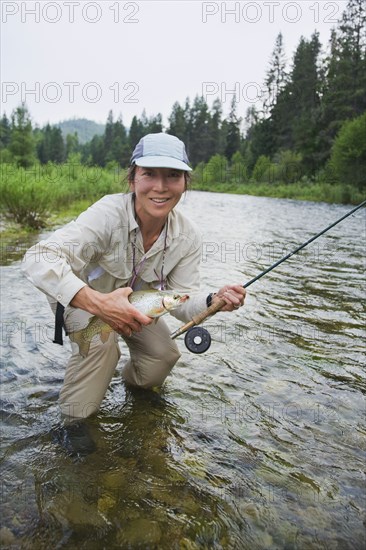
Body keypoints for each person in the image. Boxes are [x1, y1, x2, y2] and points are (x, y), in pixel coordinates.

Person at [22, 133, 246, 420]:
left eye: (173, 175)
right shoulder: (107, 214)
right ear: (132, 179)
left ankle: (130, 389)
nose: (161, 187)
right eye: (149, 174)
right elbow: (37, 258)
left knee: (164, 356)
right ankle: (74, 426)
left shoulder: (188, 236)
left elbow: (182, 302)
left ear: (185, 183)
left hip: (138, 305)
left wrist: (214, 300)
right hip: (79, 298)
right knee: (102, 347)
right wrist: (98, 304)